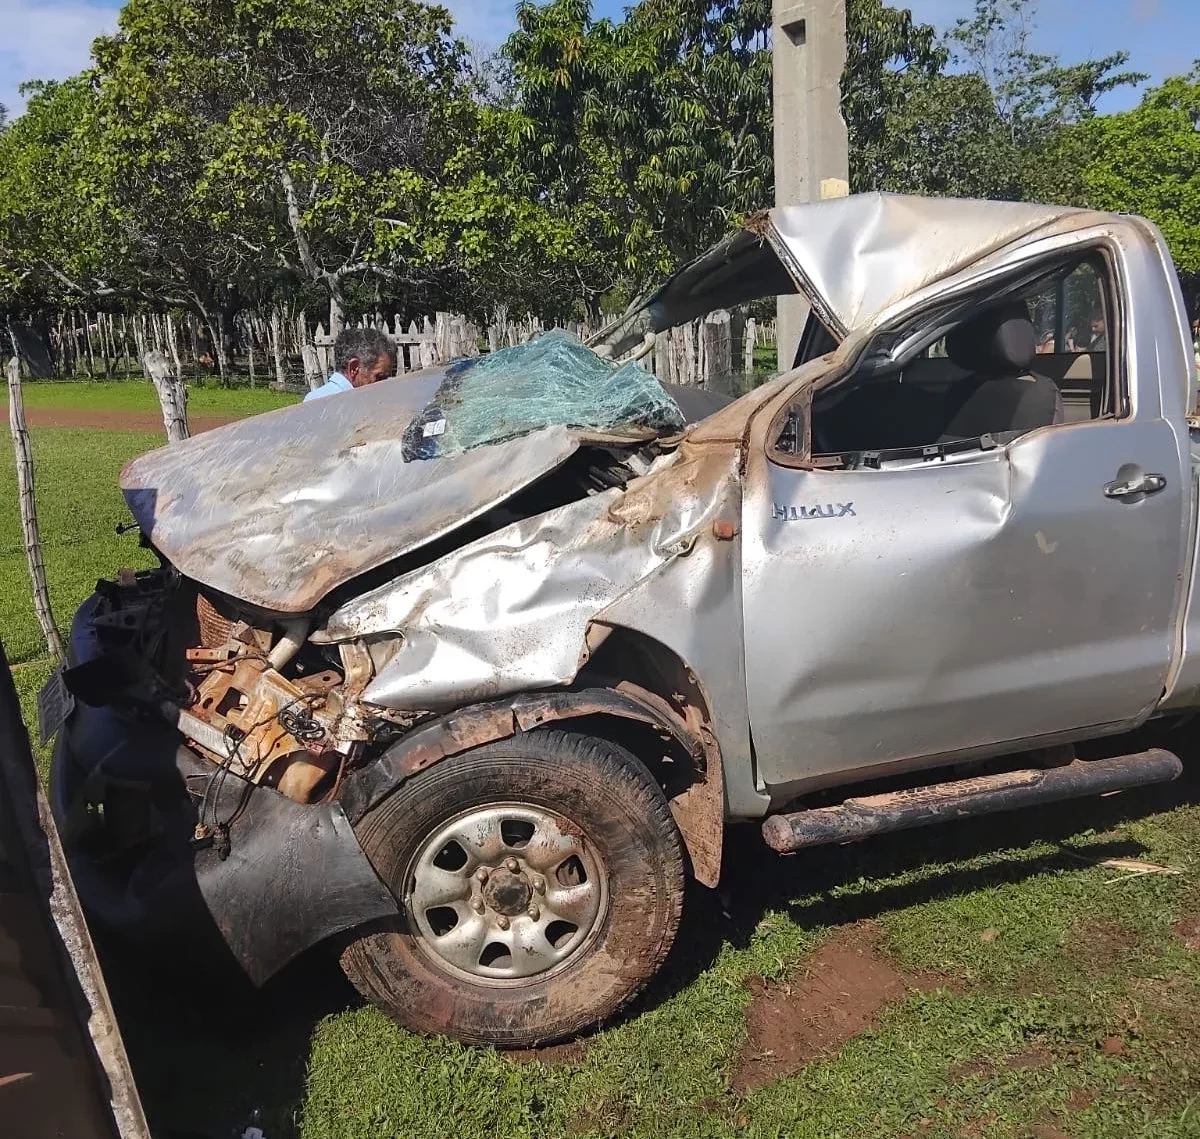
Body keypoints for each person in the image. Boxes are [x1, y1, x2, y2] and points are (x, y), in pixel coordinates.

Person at [304, 326, 396, 402]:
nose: (385, 385)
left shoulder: (314, 400)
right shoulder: (319, 404)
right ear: (354, 369)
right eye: (380, 377)